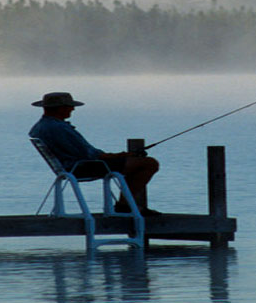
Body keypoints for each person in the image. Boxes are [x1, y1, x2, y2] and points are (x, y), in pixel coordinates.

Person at [28, 91, 161, 215]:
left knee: (135, 164)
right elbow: (89, 154)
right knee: (149, 163)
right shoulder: (58, 128)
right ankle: (125, 206)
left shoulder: (40, 126)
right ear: (60, 108)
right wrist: (121, 156)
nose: (73, 109)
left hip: (70, 166)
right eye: (69, 106)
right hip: (81, 167)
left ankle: (125, 205)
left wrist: (122, 156)